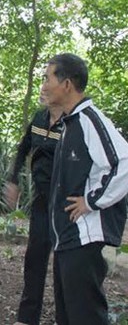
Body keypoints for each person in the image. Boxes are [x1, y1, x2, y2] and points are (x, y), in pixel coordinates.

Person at [41, 53, 128, 325]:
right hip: (68, 239)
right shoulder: (71, 123)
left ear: (66, 84)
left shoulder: (90, 119)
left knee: (86, 317)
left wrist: (91, 202)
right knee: (68, 317)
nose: (43, 85)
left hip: (85, 240)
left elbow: (123, 163)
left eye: (47, 78)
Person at [4, 97, 63, 325]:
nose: (43, 88)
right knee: (34, 259)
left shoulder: (73, 122)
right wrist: (13, 180)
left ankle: (64, 318)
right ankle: (27, 318)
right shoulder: (39, 118)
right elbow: (23, 148)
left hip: (66, 205)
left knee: (63, 265)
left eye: (48, 80)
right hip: (41, 201)